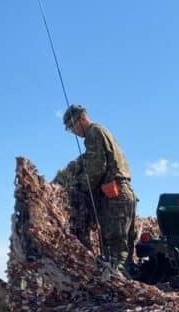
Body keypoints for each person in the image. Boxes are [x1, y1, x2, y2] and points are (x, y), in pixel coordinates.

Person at [57, 104, 138, 271]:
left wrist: (79, 187)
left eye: (72, 127)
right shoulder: (103, 132)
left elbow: (96, 169)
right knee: (125, 252)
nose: (74, 132)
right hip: (124, 194)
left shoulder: (93, 133)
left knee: (115, 254)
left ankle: (119, 291)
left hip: (114, 197)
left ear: (82, 118)